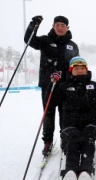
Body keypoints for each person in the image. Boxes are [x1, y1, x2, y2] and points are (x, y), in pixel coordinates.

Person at [46, 56, 96, 180]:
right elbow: (50, 102)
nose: (80, 71)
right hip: (70, 123)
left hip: (90, 122)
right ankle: (70, 171)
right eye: (76, 69)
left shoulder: (94, 85)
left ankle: (86, 170)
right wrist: (53, 84)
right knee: (73, 142)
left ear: (86, 70)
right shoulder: (64, 86)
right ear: (71, 70)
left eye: (82, 68)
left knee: (88, 141)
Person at [24, 15, 79, 156]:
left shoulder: (72, 45)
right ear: (53, 26)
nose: (60, 28)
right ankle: (47, 141)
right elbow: (29, 40)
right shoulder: (45, 40)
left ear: (68, 28)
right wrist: (33, 25)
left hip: (66, 85)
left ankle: (64, 138)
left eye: (63, 25)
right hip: (49, 84)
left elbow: (76, 66)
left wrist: (74, 82)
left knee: (65, 113)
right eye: (57, 25)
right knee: (48, 114)